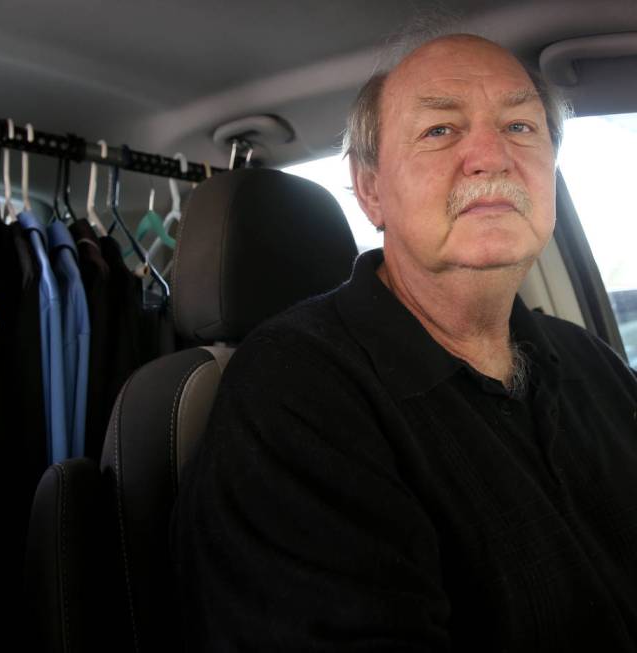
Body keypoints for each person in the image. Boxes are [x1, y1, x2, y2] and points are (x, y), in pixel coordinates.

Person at [173, 33, 637, 651]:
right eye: (440, 130)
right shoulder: (294, 397)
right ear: (371, 191)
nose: (492, 157)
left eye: (521, 126)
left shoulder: (591, 362)